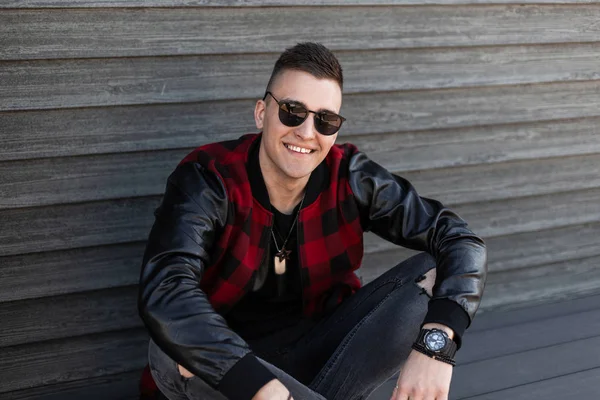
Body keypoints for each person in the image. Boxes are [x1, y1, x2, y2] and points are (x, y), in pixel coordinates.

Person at [138, 42, 487, 400]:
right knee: (172, 349)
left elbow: (460, 241)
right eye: (292, 111)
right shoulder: (208, 178)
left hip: (320, 361)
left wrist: (437, 345)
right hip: (234, 374)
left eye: (325, 119)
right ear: (261, 113)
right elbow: (167, 289)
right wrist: (258, 385)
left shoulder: (350, 176)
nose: (307, 132)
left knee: (431, 271)